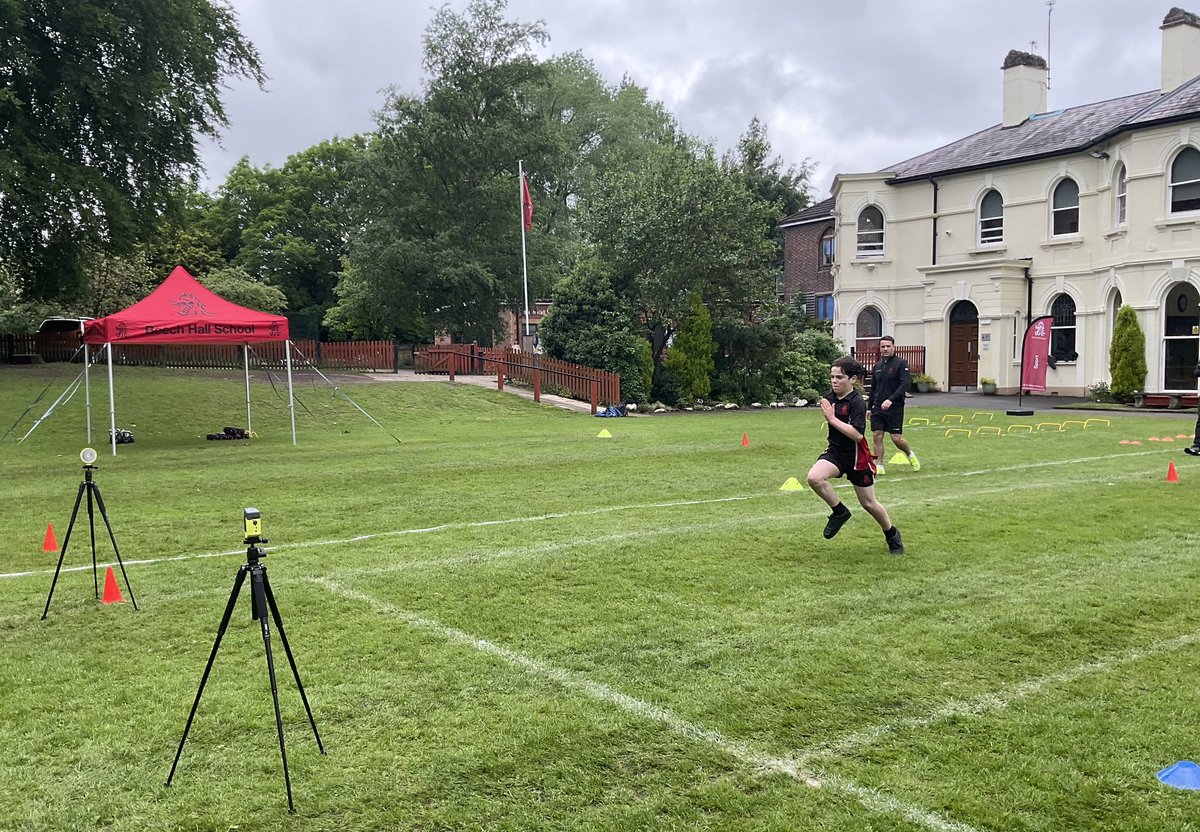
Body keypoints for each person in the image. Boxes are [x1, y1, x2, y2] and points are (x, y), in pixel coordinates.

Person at [806, 356, 904, 555]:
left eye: (839, 377)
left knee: (868, 503)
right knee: (814, 478)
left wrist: (832, 419)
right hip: (835, 452)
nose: (834, 381)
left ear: (852, 379)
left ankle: (892, 534)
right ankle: (840, 511)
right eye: (832, 377)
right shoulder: (829, 398)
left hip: (857, 457)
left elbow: (857, 435)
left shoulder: (857, 402)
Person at [868, 335, 920, 474]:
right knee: (877, 435)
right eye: (883, 347)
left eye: (888, 346)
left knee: (895, 438)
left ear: (893, 347)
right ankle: (879, 466)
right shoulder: (877, 366)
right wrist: (869, 407)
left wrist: (891, 399)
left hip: (895, 406)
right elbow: (873, 388)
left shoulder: (901, 364)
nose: (885, 349)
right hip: (878, 407)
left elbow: (905, 384)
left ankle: (909, 454)